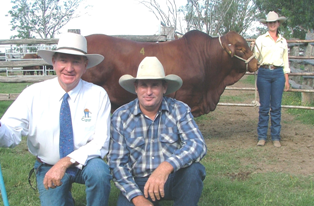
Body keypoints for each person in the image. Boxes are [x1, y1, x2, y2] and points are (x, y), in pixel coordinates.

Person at [0, 32, 112, 205]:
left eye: (76, 61)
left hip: (84, 163)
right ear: (54, 62)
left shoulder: (98, 95)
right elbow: (10, 135)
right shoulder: (33, 94)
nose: (69, 68)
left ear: (85, 65)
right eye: (63, 60)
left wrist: (64, 163)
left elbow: (101, 142)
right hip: (48, 165)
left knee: (100, 172)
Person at [108, 56, 207, 206]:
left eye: (154, 85)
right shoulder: (121, 116)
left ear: (164, 88)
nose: (149, 92)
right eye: (143, 86)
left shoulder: (179, 109)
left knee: (194, 170)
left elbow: (197, 144)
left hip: (170, 177)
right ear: (136, 88)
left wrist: (166, 167)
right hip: (138, 182)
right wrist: (137, 198)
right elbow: (117, 163)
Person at [254, 11, 291, 148]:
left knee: (276, 107)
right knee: (264, 107)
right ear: (267, 24)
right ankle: (262, 136)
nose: (272, 25)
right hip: (263, 72)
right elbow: (255, 57)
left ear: (278, 23)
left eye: (274, 22)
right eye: (270, 23)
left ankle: (276, 137)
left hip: (278, 74)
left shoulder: (283, 41)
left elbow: (285, 61)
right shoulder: (260, 39)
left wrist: (286, 79)